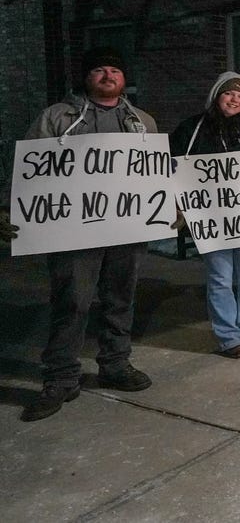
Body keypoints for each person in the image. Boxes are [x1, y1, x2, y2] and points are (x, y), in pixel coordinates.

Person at [20, 47, 157, 422]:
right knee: (73, 301)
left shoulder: (141, 122)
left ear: (124, 78)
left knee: (120, 298)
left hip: (126, 229)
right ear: (86, 77)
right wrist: (11, 207)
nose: (108, 75)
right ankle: (62, 376)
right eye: (99, 69)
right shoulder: (56, 117)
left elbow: (155, 175)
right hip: (73, 232)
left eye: (115, 69)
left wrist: (167, 208)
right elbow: (29, 172)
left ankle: (115, 364)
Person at [170, 71, 240, 359]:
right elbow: (171, 165)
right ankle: (228, 337)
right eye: (229, 93)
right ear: (216, 95)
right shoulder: (192, 129)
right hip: (211, 220)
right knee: (220, 278)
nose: (234, 99)